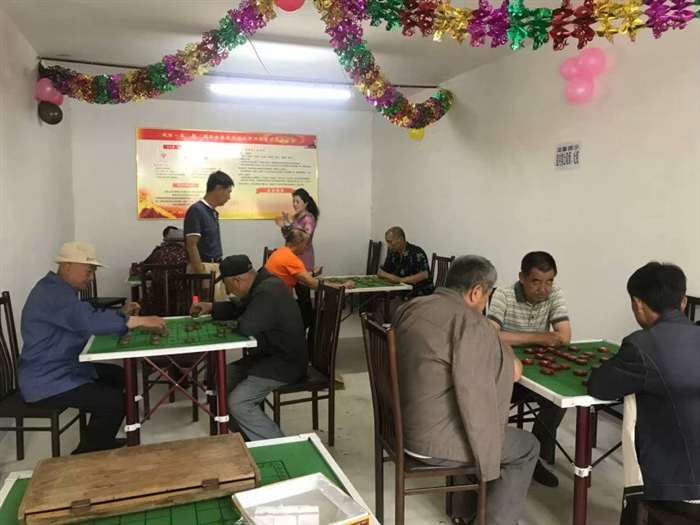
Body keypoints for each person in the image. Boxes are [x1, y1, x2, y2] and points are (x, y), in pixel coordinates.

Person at [394, 255, 538, 525]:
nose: (485, 305)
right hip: (432, 443)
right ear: (476, 292)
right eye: (487, 297)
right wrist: (501, 344)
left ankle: (462, 511)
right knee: (526, 446)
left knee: (461, 411)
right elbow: (496, 385)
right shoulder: (470, 324)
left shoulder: (412, 307)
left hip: (399, 428)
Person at [18, 242, 165, 454]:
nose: (91, 277)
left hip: (66, 366)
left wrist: (121, 314)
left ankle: (100, 439)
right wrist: (139, 321)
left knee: (118, 375)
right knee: (113, 402)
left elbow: (83, 316)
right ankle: (85, 455)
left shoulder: (57, 288)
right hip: (47, 379)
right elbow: (88, 322)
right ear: (67, 266)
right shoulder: (53, 294)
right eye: (88, 271)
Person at [588, 262, 700, 524]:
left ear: (637, 304)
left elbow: (600, 386)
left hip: (681, 489)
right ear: (683, 301)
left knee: (636, 489)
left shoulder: (642, 344)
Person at [190, 255, 308, 441]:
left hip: (284, 363)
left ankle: (278, 446)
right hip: (265, 357)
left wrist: (235, 320)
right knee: (222, 379)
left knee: (238, 403)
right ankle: (248, 439)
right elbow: (242, 309)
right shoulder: (261, 284)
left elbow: (247, 326)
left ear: (237, 280)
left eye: (227, 286)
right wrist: (212, 307)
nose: (228, 291)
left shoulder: (267, 291)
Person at [486, 251, 570, 487]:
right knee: (493, 399)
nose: (544, 289)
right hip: (507, 371)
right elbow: (490, 334)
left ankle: (536, 458)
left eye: (549, 281)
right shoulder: (503, 294)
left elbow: (564, 336)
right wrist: (540, 337)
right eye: (536, 282)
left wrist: (514, 337)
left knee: (558, 400)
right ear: (522, 278)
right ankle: (495, 457)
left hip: (538, 370)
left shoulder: (555, 294)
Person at [184, 170, 234, 300]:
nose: (229, 197)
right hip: (202, 268)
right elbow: (191, 246)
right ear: (218, 189)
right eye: (228, 192)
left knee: (219, 305)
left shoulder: (213, 212)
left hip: (214, 267)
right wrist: (202, 276)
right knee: (204, 307)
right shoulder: (196, 210)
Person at [275, 188, 319, 333]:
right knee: (297, 294)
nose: (294, 204)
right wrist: (285, 226)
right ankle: (302, 324)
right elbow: (289, 239)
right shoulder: (296, 217)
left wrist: (288, 225)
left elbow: (304, 238)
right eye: (293, 201)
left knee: (303, 293)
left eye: (297, 201)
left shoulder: (309, 218)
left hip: (304, 257)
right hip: (293, 256)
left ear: (305, 203)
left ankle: (310, 325)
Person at [376, 226, 433, 322]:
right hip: (402, 292)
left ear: (400, 239)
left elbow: (424, 275)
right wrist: (390, 276)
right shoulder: (393, 253)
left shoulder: (416, 253)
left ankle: (393, 329)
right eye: (387, 242)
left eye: (390, 242)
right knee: (381, 306)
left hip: (419, 294)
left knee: (391, 310)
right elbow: (382, 272)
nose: (388, 245)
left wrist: (400, 280)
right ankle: (382, 329)